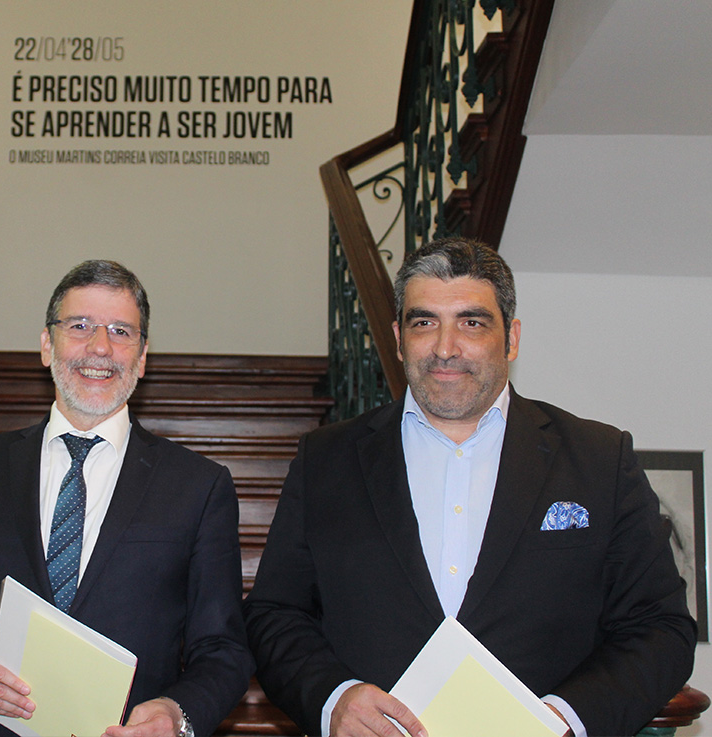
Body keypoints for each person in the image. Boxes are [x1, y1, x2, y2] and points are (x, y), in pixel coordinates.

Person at [244, 238, 696, 737]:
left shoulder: (600, 459)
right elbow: (274, 614)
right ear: (398, 338)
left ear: (512, 338)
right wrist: (334, 699)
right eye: (424, 322)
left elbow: (660, 627)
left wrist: (565, 720)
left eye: (471, 323)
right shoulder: (326, 460)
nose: (445, 348)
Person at [0, 260, 252, 737]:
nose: (100, 347)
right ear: (47, 345)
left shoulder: (199, 486)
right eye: (80, 326)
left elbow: (224, 650)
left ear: (142, 357)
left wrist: (177, 713)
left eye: (121, 331)